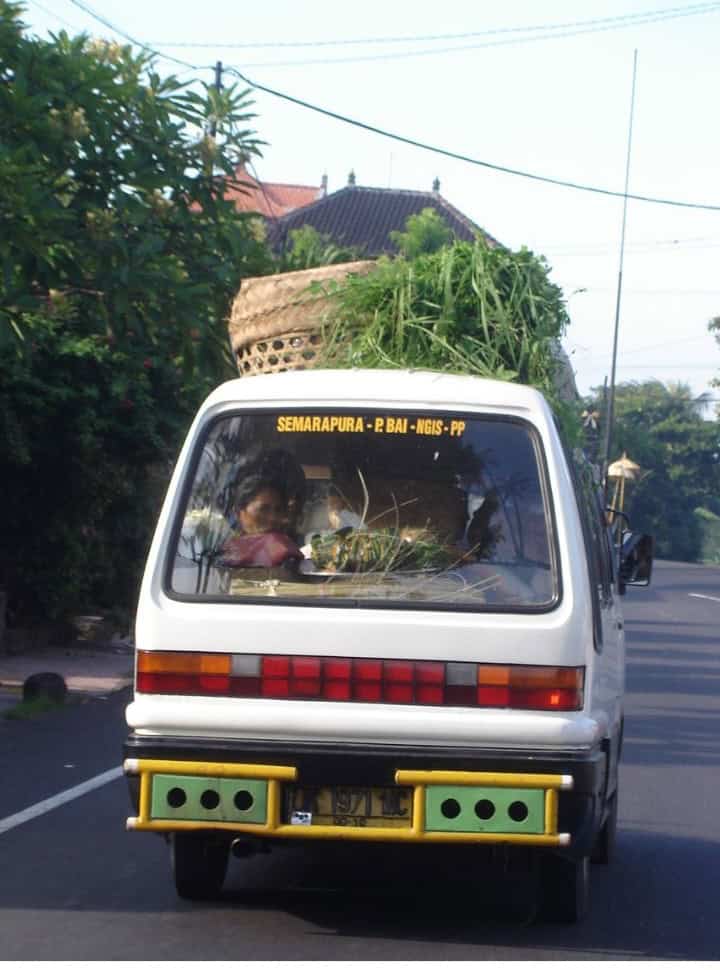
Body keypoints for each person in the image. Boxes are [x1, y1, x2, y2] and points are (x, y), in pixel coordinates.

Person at [219, 473, 304, 569]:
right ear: (239, 512)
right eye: (263, 509)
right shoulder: (218, 553)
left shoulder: (286, 553)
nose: (273, 518)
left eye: (278, 510)